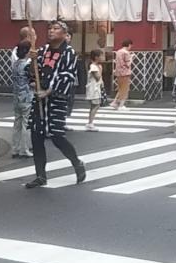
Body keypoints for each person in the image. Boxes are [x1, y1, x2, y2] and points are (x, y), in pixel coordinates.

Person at [25, 20, 85, 189]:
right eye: (50, 28)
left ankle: (77, 162)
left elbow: (67, 76)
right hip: (39, 99)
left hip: (56, 99)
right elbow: (31, 73)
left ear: (65, 34)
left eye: (56, 28)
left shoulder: (69, 53)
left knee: (56, 136)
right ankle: (40, 175)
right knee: (36, 137)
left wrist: (49, 91)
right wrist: (32, 64)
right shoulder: (41, 50)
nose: (51, 31)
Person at [9, 40, 34, 158]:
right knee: (25, 123)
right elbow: (32, 81)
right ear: (27, 51)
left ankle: (15, 148)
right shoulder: (27, 65)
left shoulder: (15, 64)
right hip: (26, 96)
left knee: (17, 123)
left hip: (16, 96)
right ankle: (24, 149)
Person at [84, 49, 105, 132]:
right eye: (101, 56)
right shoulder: (93, 66)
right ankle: (90, 123)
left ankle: (90, 122)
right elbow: (98, 77)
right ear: (96, 57)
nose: (103, 58)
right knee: (95, 105)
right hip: (93, 89)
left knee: (95, 105)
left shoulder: (94, 66)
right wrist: (100, 69)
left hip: (95, 88)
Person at [110, 39, 133, 111]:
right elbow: (128, 64)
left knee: (120, 88)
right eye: (130, 46)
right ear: (129, 45)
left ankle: (114, 102)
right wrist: (132, 58)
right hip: (125, 73)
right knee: (125, 89)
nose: (131, 47)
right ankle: (121, 105)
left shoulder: (118, 52)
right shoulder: (126, 53)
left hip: (118, 72)